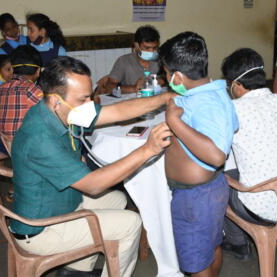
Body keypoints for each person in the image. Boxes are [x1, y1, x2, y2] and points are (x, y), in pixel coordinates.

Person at [10, 56, 173, 277]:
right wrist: (148, 150)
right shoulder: (39, 138)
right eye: (84, 99)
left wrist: (166, 98)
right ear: (56, 100)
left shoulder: (58, 110)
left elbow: (118, 111)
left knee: (119, 199)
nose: (90, 105)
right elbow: (94, 185)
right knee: (131, 223)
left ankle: (77, 271)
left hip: (59, 204)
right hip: (40, 230)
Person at [160, 32, 238, 277]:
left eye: (165, 73)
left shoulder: (207, 102)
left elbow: (216, 155)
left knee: (195, 261)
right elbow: (232, 125)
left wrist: (175, 122)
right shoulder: (211, 94)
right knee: (210, 246)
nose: (165, 79)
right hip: (208, 191)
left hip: (195, 198)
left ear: (177, 76)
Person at [220, 48, 277, 260]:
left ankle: (237, 243)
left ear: (237, 84)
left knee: (216, 179)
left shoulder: (233, 110)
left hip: (262, 209)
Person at [0, 45, 43, 140]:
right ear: (38, 71)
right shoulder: (32, 90)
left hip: (6, 146)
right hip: (27, 149)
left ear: (13, 68)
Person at [105, 25, 161, 93]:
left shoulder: (161, 60)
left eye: (155, 48)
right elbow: (109, 87)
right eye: (147, 48)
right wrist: (133, 88)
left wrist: (163, 82)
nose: (151, 51)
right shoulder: (124, 61)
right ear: (136, 46)